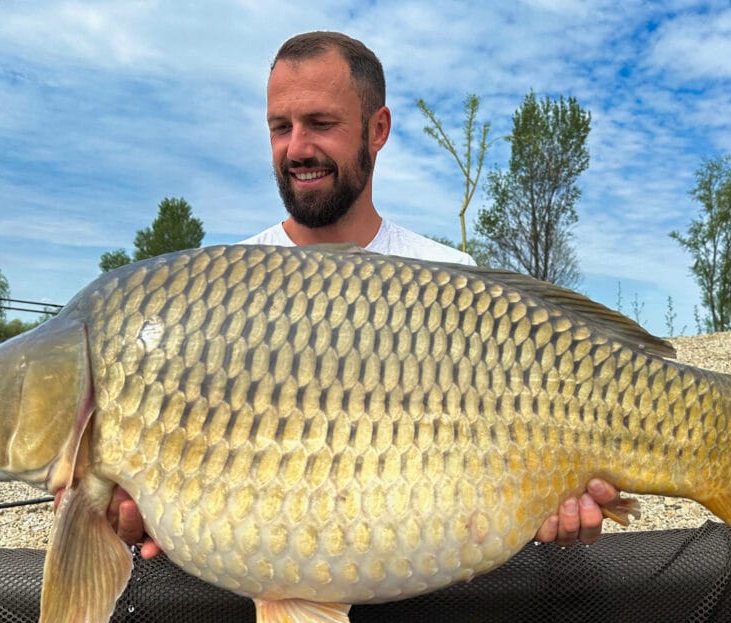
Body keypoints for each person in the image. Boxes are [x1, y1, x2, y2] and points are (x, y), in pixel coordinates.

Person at [110, 31, 625, 558]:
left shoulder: (453, 276)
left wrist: (544, 508)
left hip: (432, 603)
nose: (297, 148)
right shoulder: (226, 290)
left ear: (377, 130)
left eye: (321, 124)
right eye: (279, 127)